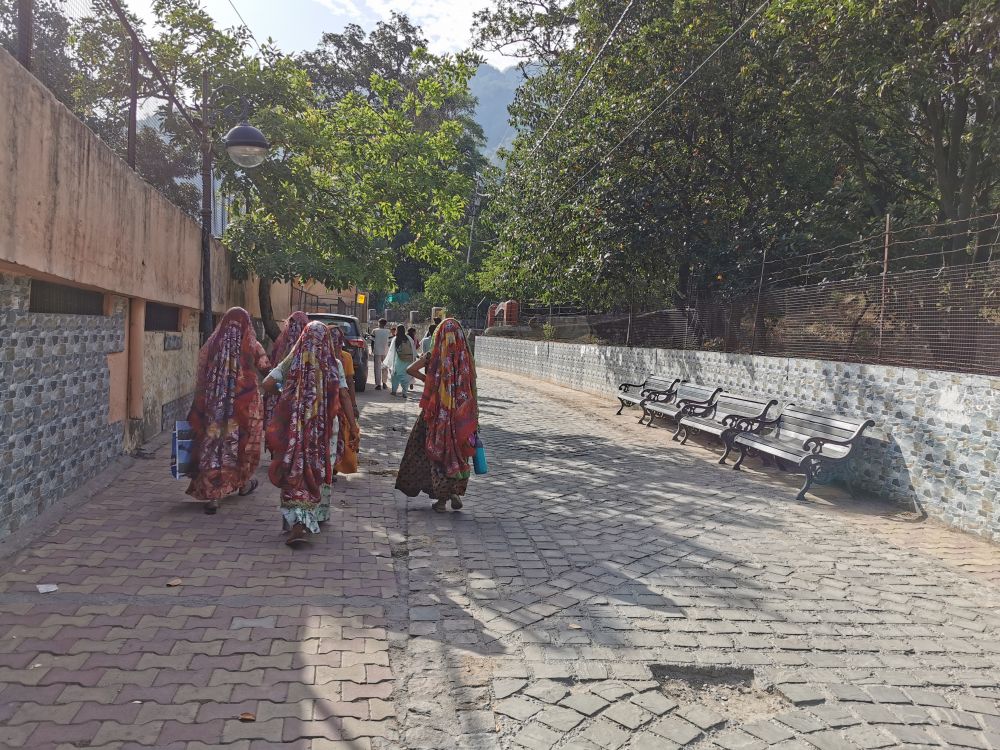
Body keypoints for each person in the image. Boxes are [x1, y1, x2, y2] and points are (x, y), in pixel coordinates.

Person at [264, 322, 359, 546]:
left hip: (294, 427)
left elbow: (267, 383)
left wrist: (287, 394)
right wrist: (353, 426)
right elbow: (344, 396)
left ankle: (295, 522)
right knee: (318, 469)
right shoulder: (333, 363)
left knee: (294, 468)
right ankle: (312, 517)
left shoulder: (292, 361)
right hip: (324, 430)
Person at [186, 307, 271, 514]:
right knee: (241, 446)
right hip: (244, 409)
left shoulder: (213, 344)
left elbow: (203, 373)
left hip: (215, 407)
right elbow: (266, 369)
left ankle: (213, 496)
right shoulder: (252, 345)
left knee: (214, 446)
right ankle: (242, 484)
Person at [395, 318, 478, 512]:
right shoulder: (465, 358)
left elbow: (410, 369)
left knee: (436, 450)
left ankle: (442, 501)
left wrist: (430, 380)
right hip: (459, 416)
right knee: (456, 453)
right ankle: (454, 492)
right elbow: (472, 387)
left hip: (435, 413)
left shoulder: (432, 355)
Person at [263, 311, 309, 437]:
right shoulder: (308, 348)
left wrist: (280, 391)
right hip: (298, 400)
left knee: (276, 435)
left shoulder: (281, 342)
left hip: (277, 392)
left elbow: (270, 370)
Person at [383, 325, 417, 397]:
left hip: (398, 360)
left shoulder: (395, 338)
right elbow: (413, 349)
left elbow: (391, 351)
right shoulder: (409, 338)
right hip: (408, 360)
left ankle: (394, 391)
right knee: (405, 376)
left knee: (395, 375)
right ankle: (404, 392)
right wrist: (414, 359)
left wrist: (389, 361)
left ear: (397, 330)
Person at [371, 318, 391, 390]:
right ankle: (384, 383)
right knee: (385, 367)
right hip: (386, 351)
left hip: (377, 351)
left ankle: (378, 384)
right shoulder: (388, 331)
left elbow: (372, 341)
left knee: (377, 368)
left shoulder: (375, 331)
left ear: (379, 323)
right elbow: (390, 342)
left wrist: (372, 350)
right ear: (385, 324)